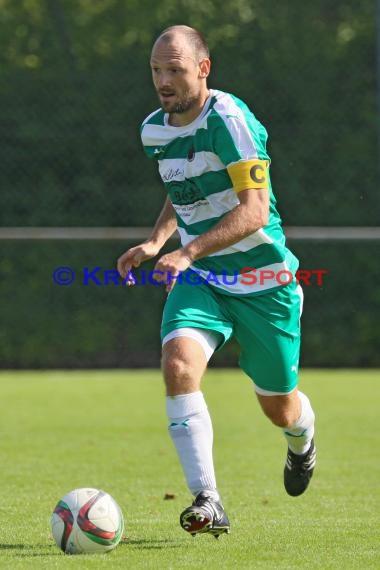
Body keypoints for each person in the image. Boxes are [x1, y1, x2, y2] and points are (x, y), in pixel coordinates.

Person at [117, 25, 316, 539]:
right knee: (178, 363)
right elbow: (180, 189)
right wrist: (158, 242)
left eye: (175, 69)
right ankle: (208, 498)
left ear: (203, 68)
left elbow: (253, 212)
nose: (163, 80)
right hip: (203, 278)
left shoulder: (230, 120)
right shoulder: (154, 130)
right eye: (156, 70)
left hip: (264, 281)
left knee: (279, 407)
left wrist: (187, 249)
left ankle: (302, 439)